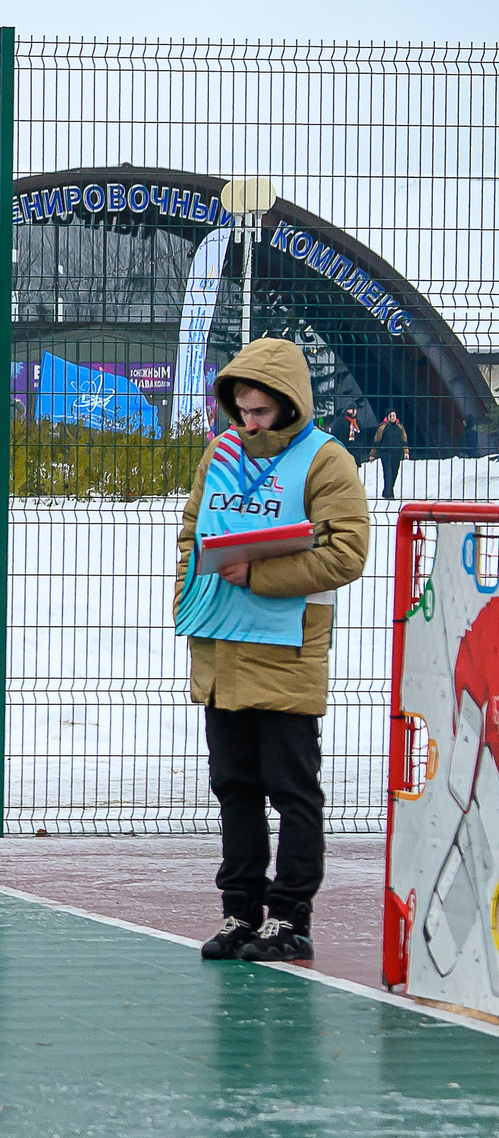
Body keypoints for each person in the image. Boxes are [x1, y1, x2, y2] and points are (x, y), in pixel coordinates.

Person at [174, 339, 369, 964]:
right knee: (234, 785)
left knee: (291, 789)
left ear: (289, 406)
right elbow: (191, 532)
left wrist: (257, 576)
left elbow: (346, 554)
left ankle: (290, 917)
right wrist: (191, 592)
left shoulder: (326, 462)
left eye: (259, 411)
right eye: (240, 409)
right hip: (221, 645)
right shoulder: (221, 452)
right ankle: (239, 912)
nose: (247, 422)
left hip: (286, 650)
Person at [372, 407, 407, 499]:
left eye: (394, 415)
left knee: (394, 472)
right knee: (388, 473)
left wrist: (406, 452)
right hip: (385, 453)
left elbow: (404, 440)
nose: (392, 417)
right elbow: (376, 440)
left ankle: (387, 490)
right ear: (387, 417)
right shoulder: (382, 427)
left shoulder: (400, 427)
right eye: (390, 416)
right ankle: (389, 494)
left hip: (396, 453)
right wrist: (372, 454)